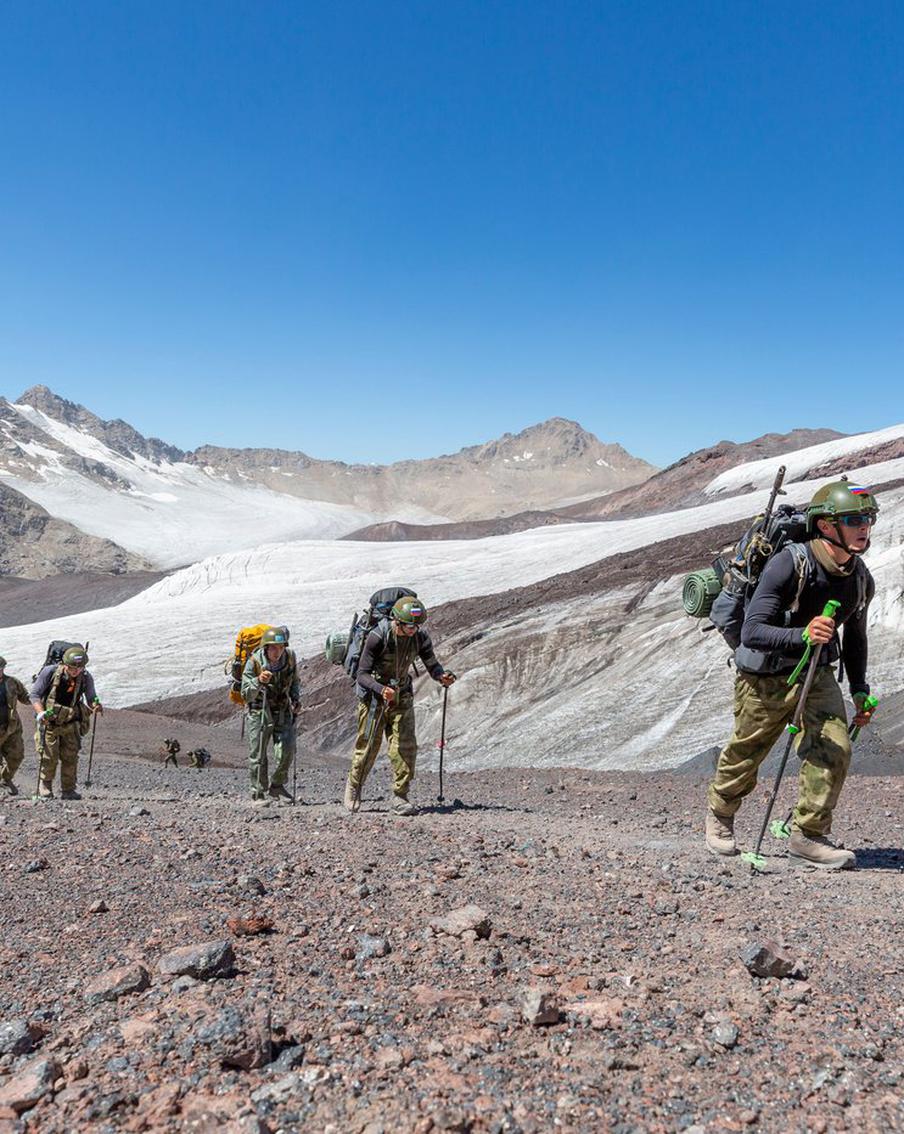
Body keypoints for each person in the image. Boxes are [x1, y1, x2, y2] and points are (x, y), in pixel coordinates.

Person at [706, 480, 879, 870]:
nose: (864, 526)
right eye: (853, 519)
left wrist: (859, 689)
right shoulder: (790, 563)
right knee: (747, 752)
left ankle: (808, 836)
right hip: (765, 676)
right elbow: (752, 631)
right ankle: (720, 815)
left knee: (835, 747)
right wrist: (801, 634)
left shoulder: (859, 577)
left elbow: (855, 636)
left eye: (867, 518)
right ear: (825, 526)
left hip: (816, 673)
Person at [344, 596, 456, 816]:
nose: (413, 630)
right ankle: (354, 787)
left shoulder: (420, 637)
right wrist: (380, 689)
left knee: (405, 747)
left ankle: (400, 796)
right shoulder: (378, 636)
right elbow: (361, 674)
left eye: (417, 625)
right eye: (409, 626)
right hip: (374, 700)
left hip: (401, 696)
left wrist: (441, 675)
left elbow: (431, 663)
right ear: (397, 621)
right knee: (368, 747)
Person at [30, 644, 102, 800]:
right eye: (72, 668)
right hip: (50, 722)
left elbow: (91, 698)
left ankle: (68, 789)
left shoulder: (86, 677)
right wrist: (41, 713)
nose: (76, 671)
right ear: (64, 664)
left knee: (71, 756)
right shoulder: (49, 672)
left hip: (71, 722)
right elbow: (35, 695)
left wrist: (96, 705)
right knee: (49, 756)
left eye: (79, 668)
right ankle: (45, 786)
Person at [241, 627, 299, 802]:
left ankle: (277, 785)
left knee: (287, 749)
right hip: (259, 710)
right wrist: (258, 681)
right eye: (274, 647)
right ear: (266, 647)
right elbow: (245, 693)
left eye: (281, 647)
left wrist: (295, 699)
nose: (278, 651)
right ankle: (257, 792)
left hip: (282, 709)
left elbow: (294, 680)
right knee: (258, 754)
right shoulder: (254, 662)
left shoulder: (289, 658)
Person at [0, 657, 31, 795]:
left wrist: (40, 692)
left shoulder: (12, 683)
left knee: (16, 756)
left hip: (11, 728)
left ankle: (5, 779)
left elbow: (27, 698)